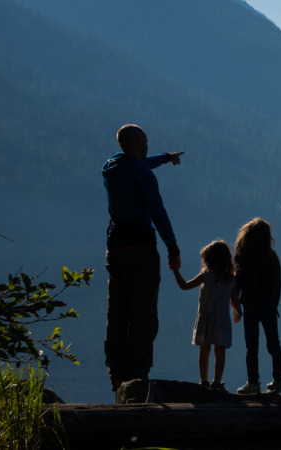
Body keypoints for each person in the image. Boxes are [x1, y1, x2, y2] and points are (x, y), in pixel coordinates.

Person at [102, 124, 185, 391]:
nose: (148, 145)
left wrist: (164, 157)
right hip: (140, 248)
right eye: (146, 141)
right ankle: (138, 378)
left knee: (117, 311)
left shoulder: (112, 168)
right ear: (138, 143)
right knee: (144, 314)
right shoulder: (141, 173)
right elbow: (157, 211)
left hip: (115, 249)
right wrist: (173, 248)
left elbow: (138, 165)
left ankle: (117, 374)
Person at [172, 240, 239, 392]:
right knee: (220, 351)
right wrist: (238, 313)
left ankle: (203, 380)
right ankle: (217, 381)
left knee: (205, 349)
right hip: (222, 320)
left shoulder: (206, 276)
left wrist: (176, 271)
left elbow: (185, 286)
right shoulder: (230, 279)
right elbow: (235, 300)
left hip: (206, 318)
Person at [233, 218, 281, 394]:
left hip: (250, 305)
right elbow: (277, 283)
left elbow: (236, 283)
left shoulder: (242, 256)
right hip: (268, 304)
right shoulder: (271, 256)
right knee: (274, 344)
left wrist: (236, 306)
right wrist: (274, 303)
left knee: (251, 346)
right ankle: (278, 381)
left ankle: (253, 383)